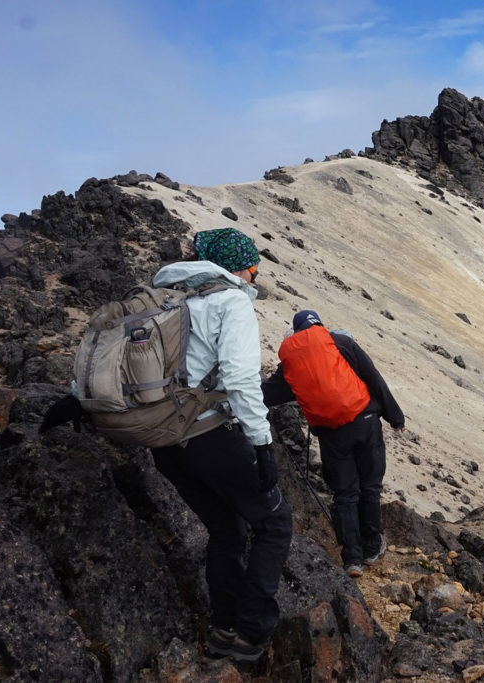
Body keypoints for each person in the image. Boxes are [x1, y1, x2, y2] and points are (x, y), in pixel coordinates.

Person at [148, 228, 292, 662]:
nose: (255, 273)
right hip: (207, 432)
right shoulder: (230, 301)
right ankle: (250, 635)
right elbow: (241, 377)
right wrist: (262, 444)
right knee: (273, 522)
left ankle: (224, 630)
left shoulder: (164, 298)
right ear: (238, 266)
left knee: (226, 529)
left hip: (164, 441)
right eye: (253, 265)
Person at [262, 309, 404, 578]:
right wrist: (394, 416)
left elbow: (269, 394)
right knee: (370, 487)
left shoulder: (292, 361)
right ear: (319, 327)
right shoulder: (342, 342)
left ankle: (352, 559)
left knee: (345, 493)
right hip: (365, 420)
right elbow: (373, 377)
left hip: (332, 433)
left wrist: (235, 398)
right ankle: (372, 547)